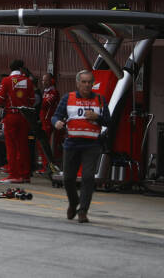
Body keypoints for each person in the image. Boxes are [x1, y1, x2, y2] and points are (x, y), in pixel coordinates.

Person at [52, 70, 111, 223]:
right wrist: (56, 122)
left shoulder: (100, 99)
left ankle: (83, 211)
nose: (86, 85)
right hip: (71, 144)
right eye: (83, 82)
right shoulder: (68, 98)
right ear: (78, 83)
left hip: (91, 145)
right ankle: (73, 202)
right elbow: (56, 115)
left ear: (93, 84)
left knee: (88, 177)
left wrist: (97, 117)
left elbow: (109, 121)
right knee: (68, 178)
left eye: (89, 82)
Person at [0, 59, 34, 183]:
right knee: (23, 146)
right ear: (21, 68)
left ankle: (14, 174)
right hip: (24, 116)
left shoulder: (6, 81)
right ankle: (25, 174)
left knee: (11, 146)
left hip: (11, 116)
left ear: (10, 68)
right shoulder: (28, 81)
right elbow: (32, 100)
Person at [38, 72, 60, 173]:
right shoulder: (45, 92)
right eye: (43, 80)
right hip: (42, 121)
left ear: (52, 81)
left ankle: (48, 166)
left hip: (48, 121)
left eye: (46, 80)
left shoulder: (53, 93)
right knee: (41, 145)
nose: (43, 82)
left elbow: (44, 105)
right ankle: (44, 166)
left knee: (45, 145)